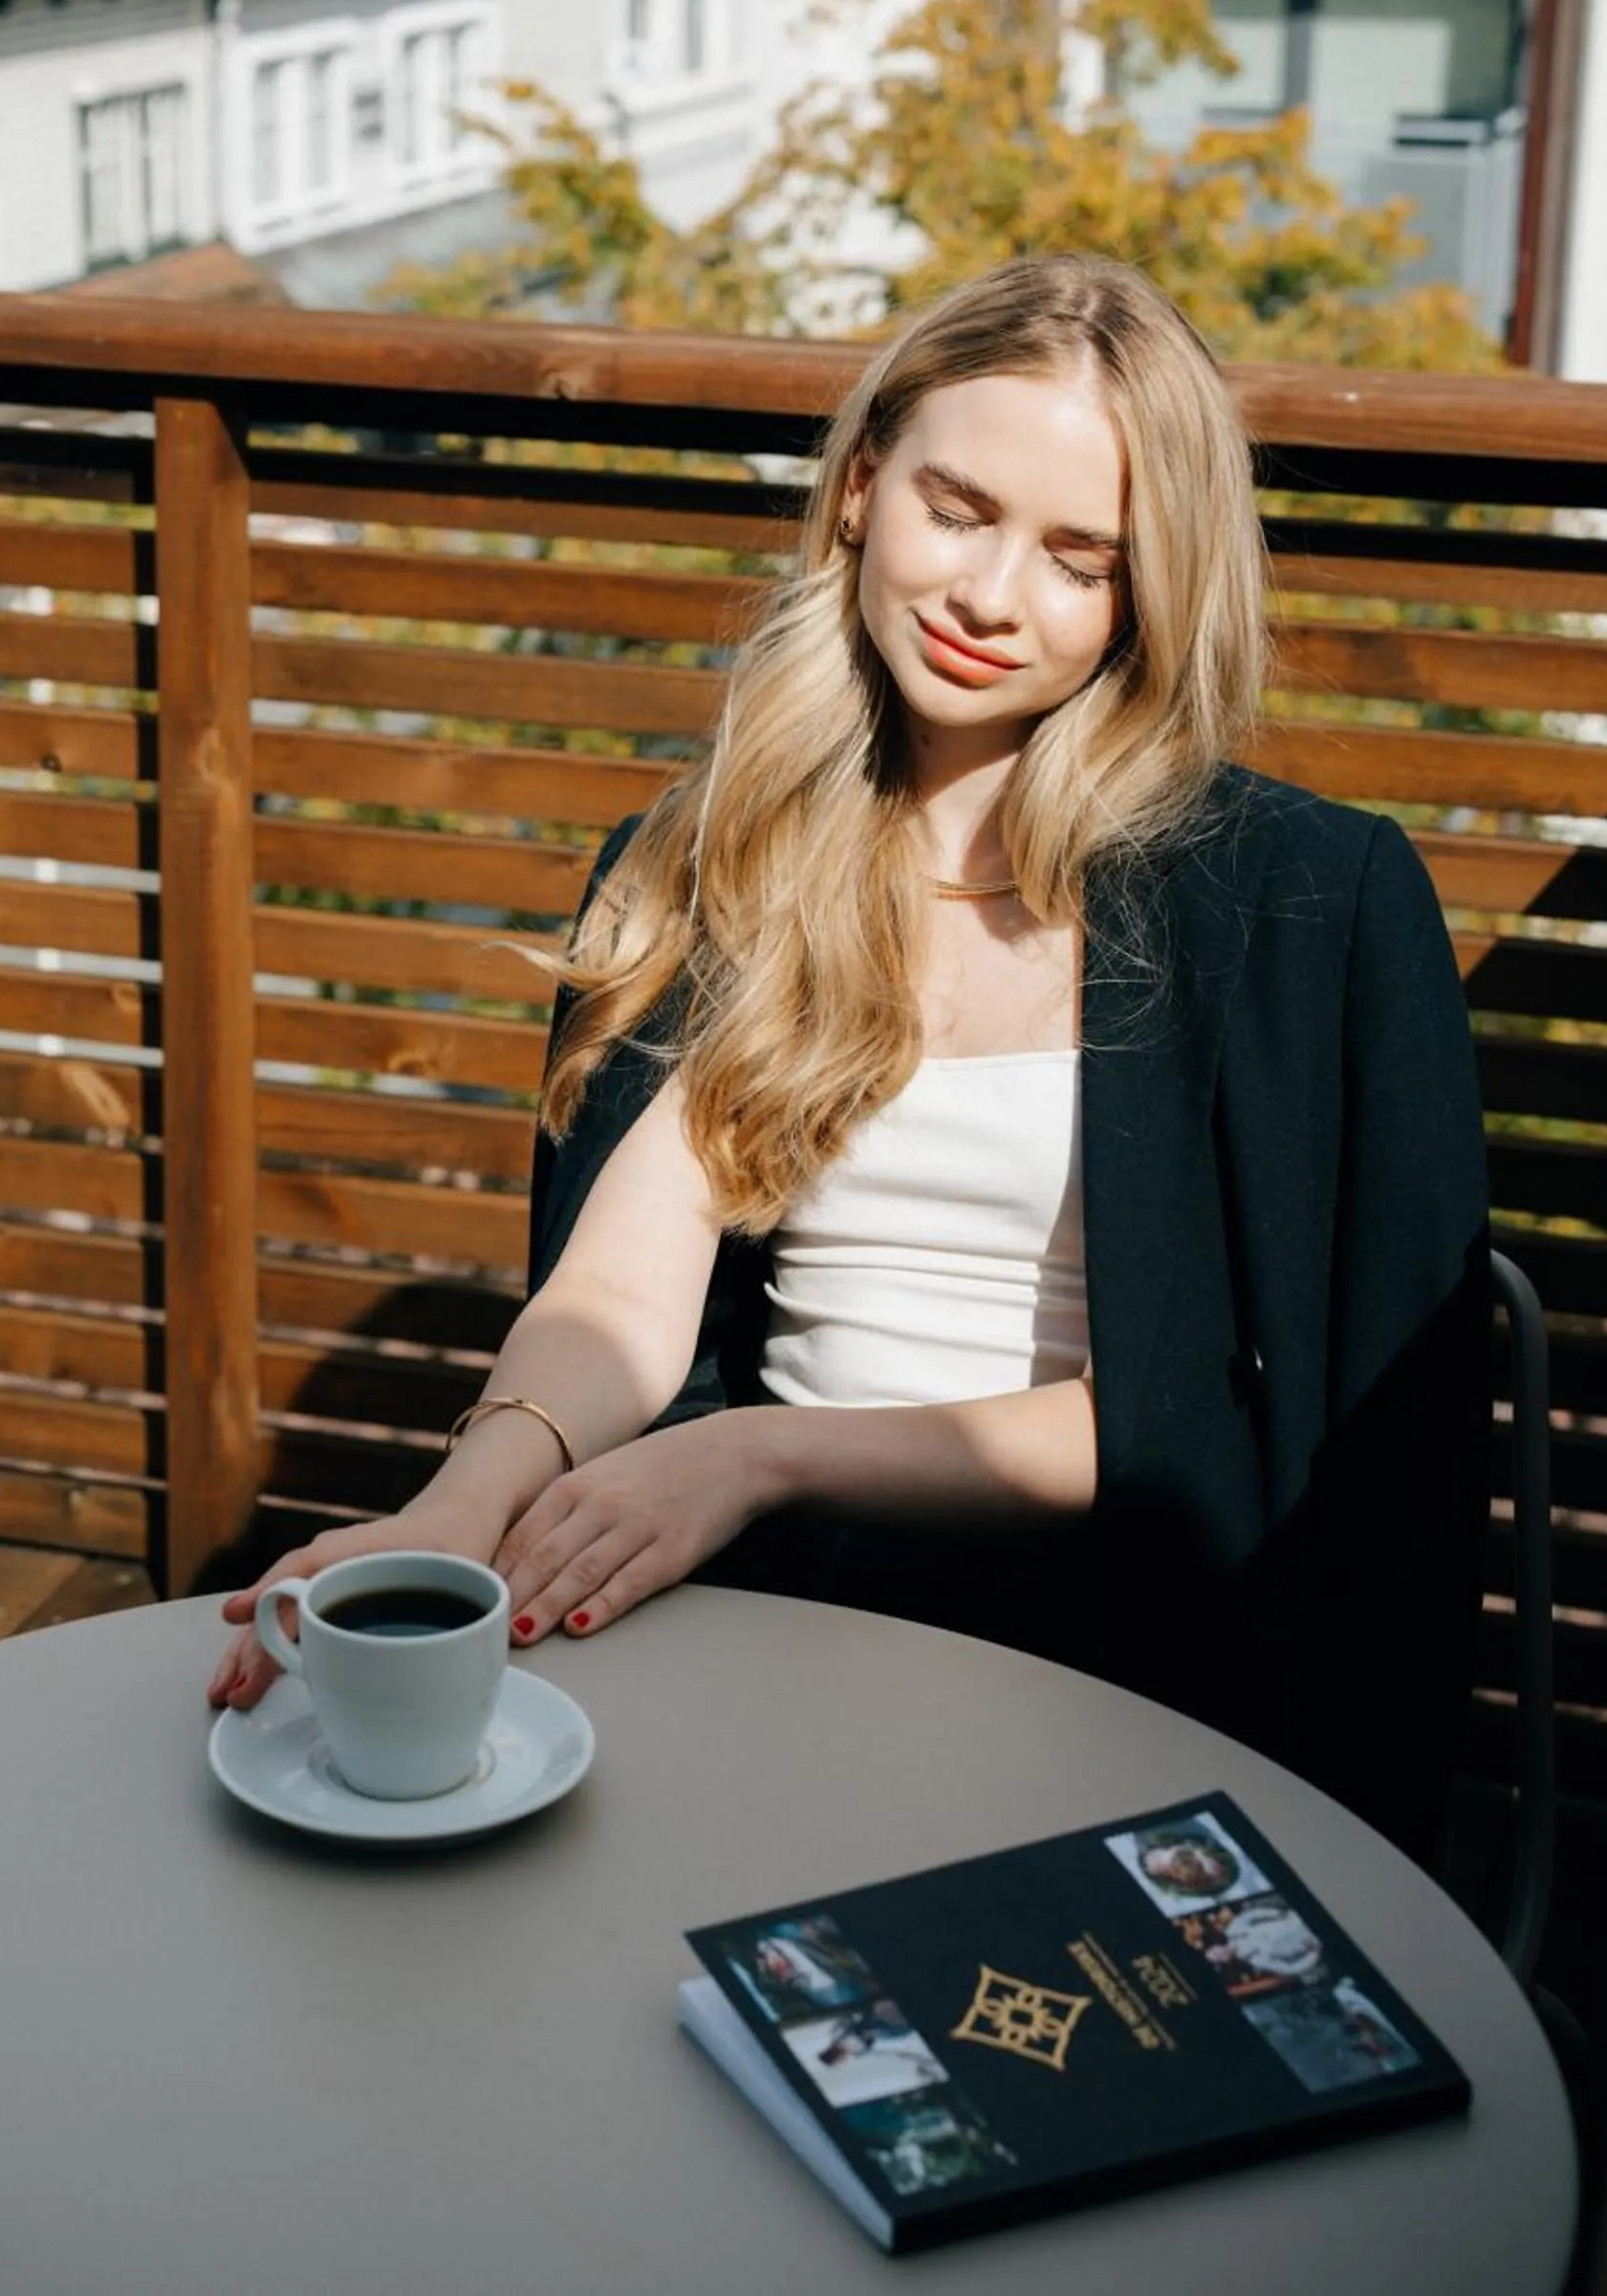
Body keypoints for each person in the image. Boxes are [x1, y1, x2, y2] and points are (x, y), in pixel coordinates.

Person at [209, 255, 1492, 1863]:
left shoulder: (1304, 905)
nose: (991, 596)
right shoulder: (713, 855)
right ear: (862, 487)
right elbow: (620, 1291)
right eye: (958, 507)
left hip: (1131, 1647)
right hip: (759, 1603)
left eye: (1079, 557)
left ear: (1148, 595)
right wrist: (452, 1518)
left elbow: (1262, 1420)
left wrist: (761, 1454)